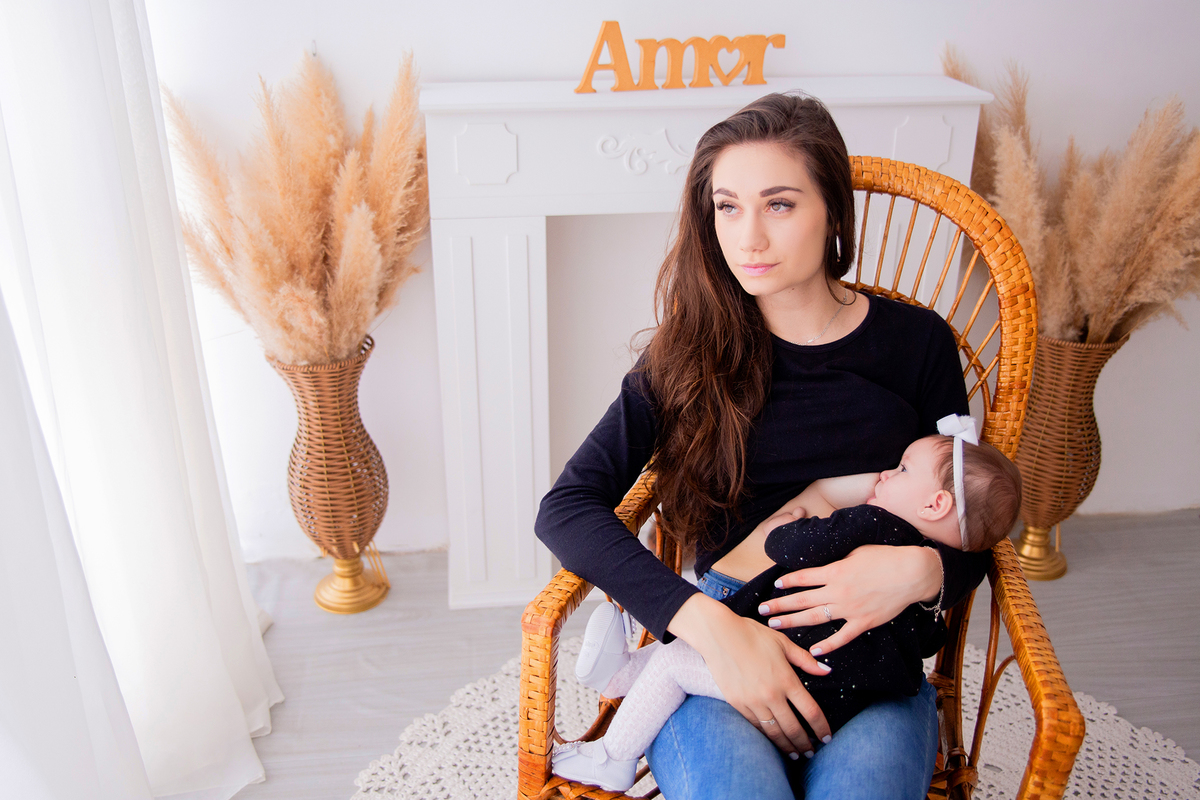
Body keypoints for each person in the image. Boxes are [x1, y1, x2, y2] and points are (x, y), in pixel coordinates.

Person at [535, 92, 991, 799]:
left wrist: (921, 573)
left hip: (875, 667)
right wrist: (712, 629)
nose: (748, 237)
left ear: (833, 213)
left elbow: (970, 517)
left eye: (779, 204)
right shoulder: (687, 355)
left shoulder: (917, 344)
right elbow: (566, 507)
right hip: (723, 656)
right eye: (727, 206)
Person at [551, 423, 1022, 793]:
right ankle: (622, 673)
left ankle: (613, 757)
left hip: (789, 671)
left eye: (900, 470)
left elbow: (791, 546)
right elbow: (928, 634)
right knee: (704, 647)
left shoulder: (874, 521)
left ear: (937, 502)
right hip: (842, 691)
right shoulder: (917, 583)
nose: (883, 474)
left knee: (678, 661)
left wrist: (788, 526)